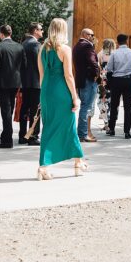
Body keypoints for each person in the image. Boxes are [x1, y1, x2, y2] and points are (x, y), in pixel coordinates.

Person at [37, 18, 86, 180]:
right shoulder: (65, 49)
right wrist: (75, 96)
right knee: (69, 126)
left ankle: (43, 167)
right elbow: (68, 75)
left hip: (46, 91)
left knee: (48, 127)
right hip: (61, 92)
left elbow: (42, 76)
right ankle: (78, 163)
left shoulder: (42, 49)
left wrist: (43, 95)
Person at [0, 24, 23, 149]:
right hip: (16, 81)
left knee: (5, 111)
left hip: (3, 82)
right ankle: (6, 135)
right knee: (9, 109)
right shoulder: (19, 47)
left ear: (1, 34)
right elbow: (24, 65)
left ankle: (7, 139)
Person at [105, 34, 131, 138]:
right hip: (128, 80)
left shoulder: (114, 54)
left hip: (117, 80)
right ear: (127, 41)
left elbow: (109, 68)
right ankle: (127, 131)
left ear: (117, 42)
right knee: (128, 107)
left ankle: (112, 129)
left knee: (114, 105)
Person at [72, 28, 99, 143]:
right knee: (86, 107)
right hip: (88, 80)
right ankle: (82, 134)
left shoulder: (77, 46)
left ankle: (81, 133)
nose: (93, 37)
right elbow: (93, 62)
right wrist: (97, 74)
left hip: (80, 80)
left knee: (84, 106)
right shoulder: (87, 46)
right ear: (85, 35)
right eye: (91, 35)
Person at [18, 22, 43, 145]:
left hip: (24, 82)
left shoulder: (22, 44)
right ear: (35, 31)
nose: (42, 31)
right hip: (35, 82)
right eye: (40, 29)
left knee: (24, 108)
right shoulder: (35, 44)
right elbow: (40, 64)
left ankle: (23, 135)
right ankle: (32, 136)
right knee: (35, 110)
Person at [96, 38, 115, 135]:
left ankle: (106, 123)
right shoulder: (115, 54)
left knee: (102, 102)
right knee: (112, 103)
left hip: (103, 81)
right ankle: (110, 124)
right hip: (113, 81)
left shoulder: (100, 54)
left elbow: (98, 68)